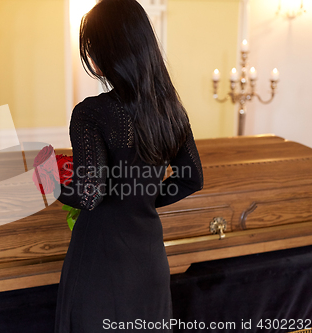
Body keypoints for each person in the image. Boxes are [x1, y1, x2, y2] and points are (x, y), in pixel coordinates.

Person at [54, 0, 204, 332]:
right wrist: (145, 197)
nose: (91, 58)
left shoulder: (91, 112)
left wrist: (46, 180)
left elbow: (89, 195)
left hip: (100, 264)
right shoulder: (172, 112)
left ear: (109, 51)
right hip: (149, 259)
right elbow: (192, 178)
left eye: (92, 48)